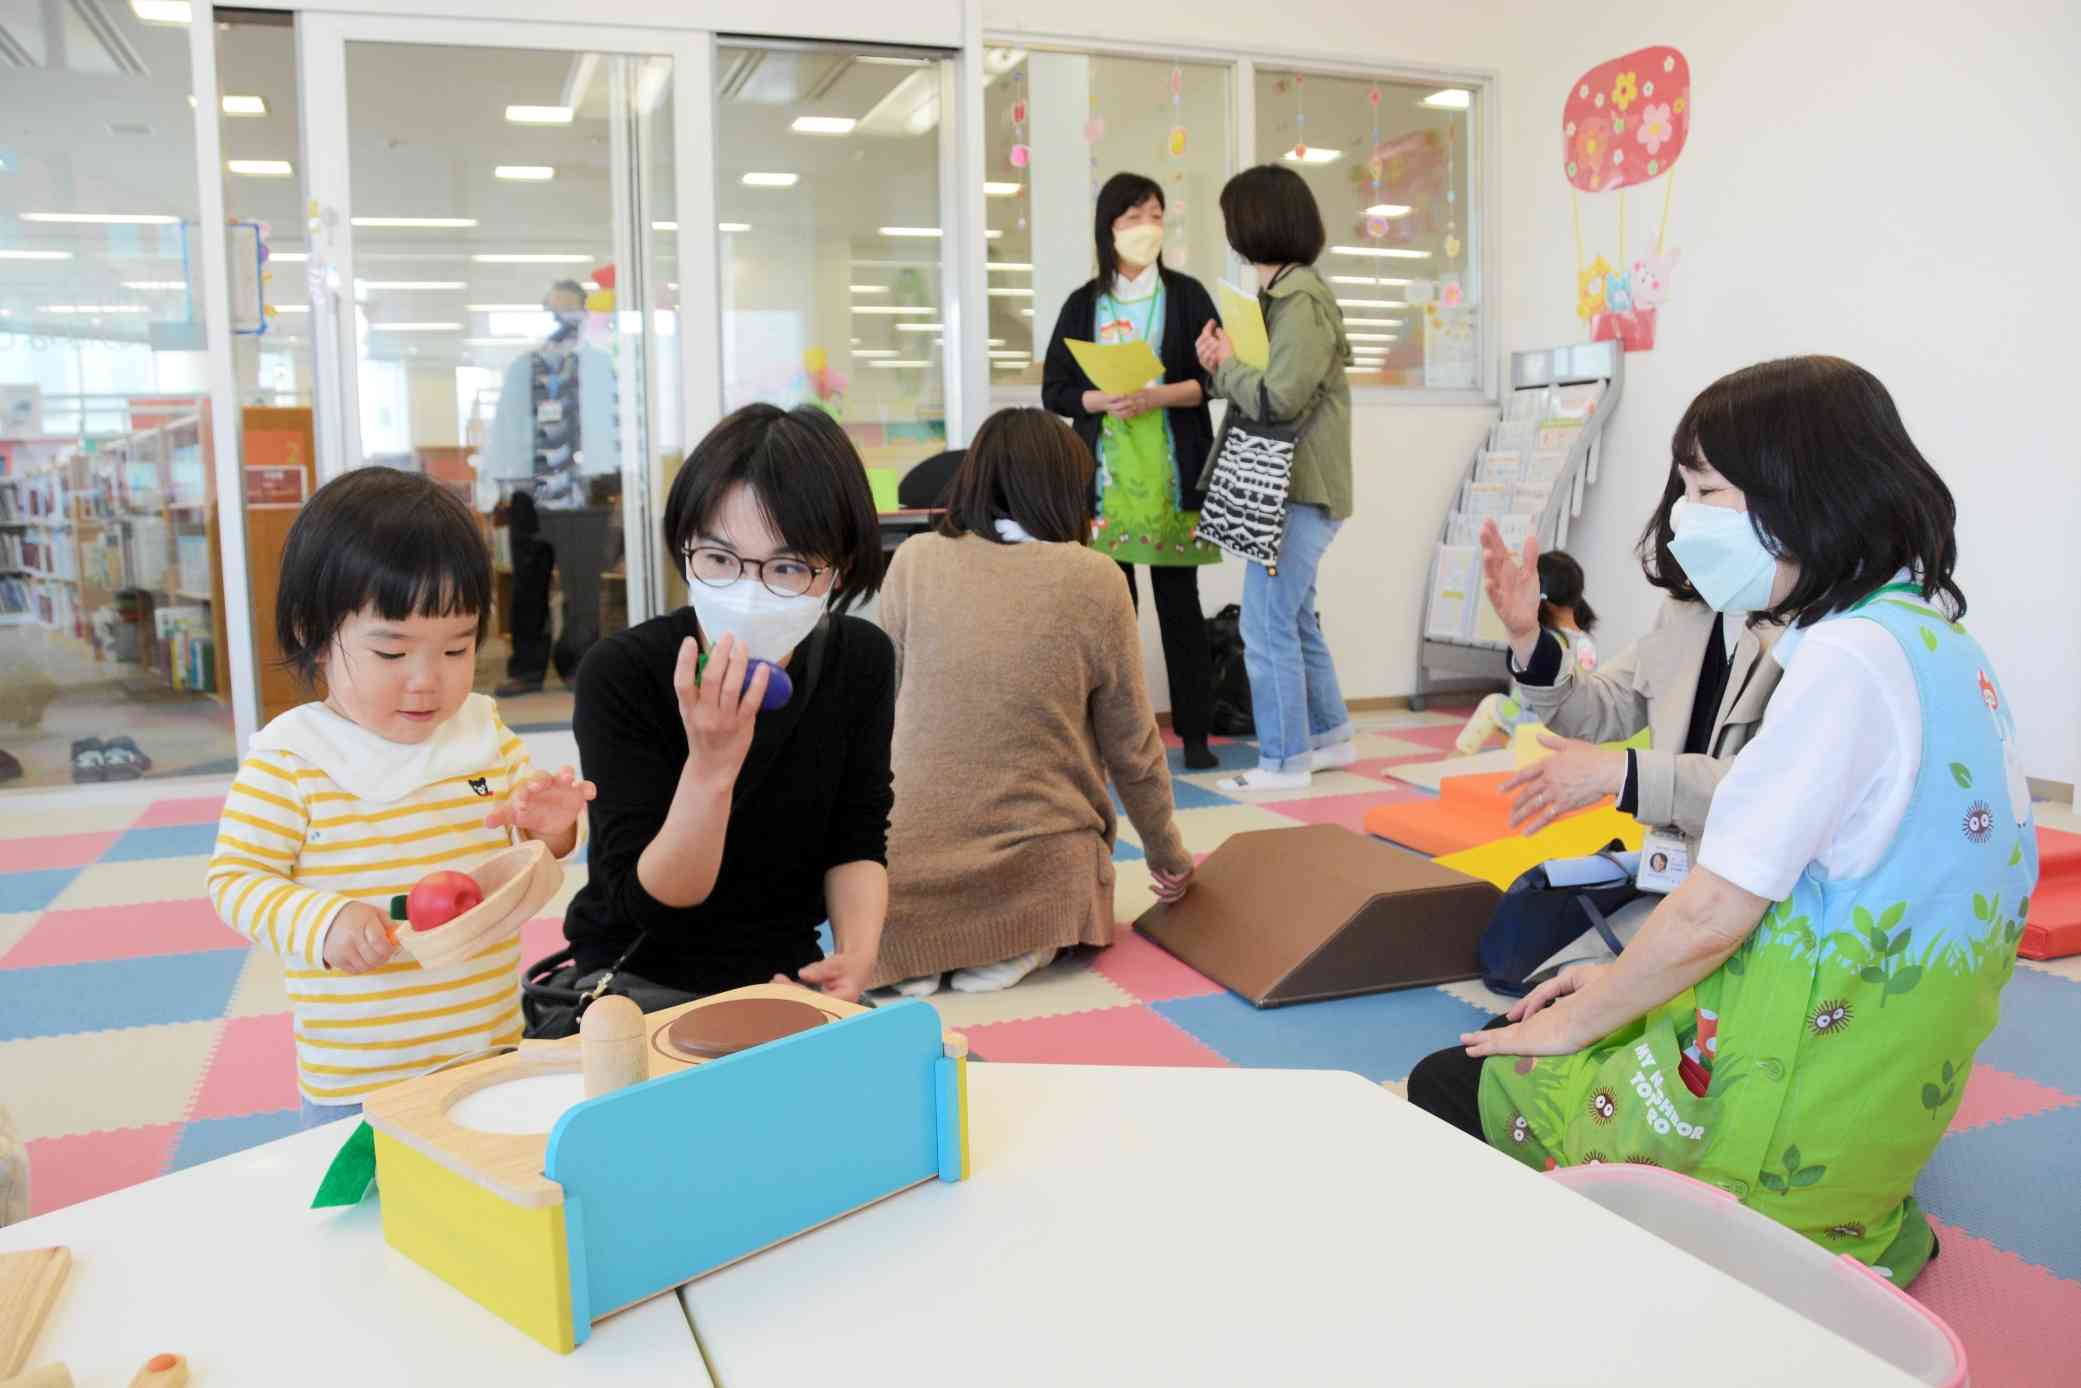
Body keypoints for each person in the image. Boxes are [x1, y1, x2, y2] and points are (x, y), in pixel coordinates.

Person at [1407, 356, 2039, 1288]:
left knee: (1456, 1077)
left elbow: (1712, 912)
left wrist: (1587, 1015)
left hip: (1781, 1085)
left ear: (1797, 493)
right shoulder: (1933, 637)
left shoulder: (1838, 660)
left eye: (1704, 489)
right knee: (1549, 985)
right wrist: (1525, 640)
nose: (1682, 518)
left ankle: (1740, 1233)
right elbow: (1605, 708)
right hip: (1872, 1065)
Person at [206, 468, 593, 1127]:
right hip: (361, 1075)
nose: (427, 682)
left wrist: (552, 833)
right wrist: (323, 924)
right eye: (391, 652)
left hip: (487, 1047)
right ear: (313, 632)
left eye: (456, 647)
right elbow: (235, 880)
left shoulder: (483, 734)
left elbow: (525, 858)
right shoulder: (292, 758)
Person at [560, 404, 893, 1003]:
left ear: (836, 572)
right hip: (641, 980)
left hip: (785, 977)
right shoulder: (620, 674)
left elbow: (858, 835)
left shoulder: (860, 659)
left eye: (787, 566)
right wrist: (711, 768)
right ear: (686, 549)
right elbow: (653, 905)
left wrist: (858, 954)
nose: (747, 592)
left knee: (949, 1073)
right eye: (718, 559)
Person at [873, 408, 1194, 995]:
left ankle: (918, 954)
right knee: (1067, 855)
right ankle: (1017, 941)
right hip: (1034, 873)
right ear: (1067, 486)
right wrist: (1166, 853)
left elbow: (879, 709)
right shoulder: (1094, 578)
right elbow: (1133, 744)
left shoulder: (914, 561)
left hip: (907, 875)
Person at [1042, 172, 1225, 771]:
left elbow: (1214, 381)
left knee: (1180, 609)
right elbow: (1056, 390)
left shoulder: (1190, 295)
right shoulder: (1082, 303)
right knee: (1110, 616)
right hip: (1105, 482)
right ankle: (1113, 741)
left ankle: (1195, 736)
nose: (1145, 228)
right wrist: (1102, 399)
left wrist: (1155, 397)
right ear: (1108, 228)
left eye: (1154, 215)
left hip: (1173, 476)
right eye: (1131, 218)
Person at [1196, 164, 1355, 793]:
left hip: (1298, 487)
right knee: (1295, 620)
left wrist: (1226, 366)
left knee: (1264, 625)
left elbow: (1281, 396)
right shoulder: (1281, 297)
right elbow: (1261, 385)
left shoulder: (1301, 300)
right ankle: (1329, 736)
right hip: (1298, 487)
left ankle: (1284, 761)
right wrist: (1223, 364)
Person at [1483, 517, 1783, 842]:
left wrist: (1618, 772)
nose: (1684, 511)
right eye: (1686, 489)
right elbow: (1596, 707)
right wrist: (1527, 637)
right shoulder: (1684, 611)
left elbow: (1768, 791)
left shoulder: (1813, 634)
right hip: (1672, 863)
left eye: (1707, 488)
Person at [485, 279, 623, 696]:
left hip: (584, 494)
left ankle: (578, 665)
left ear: (583, 313)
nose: (562, 320)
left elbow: (616, 426)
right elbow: (506, 426)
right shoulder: (523, 367)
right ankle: (526, 669)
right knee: (529, 583)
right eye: (555, 311)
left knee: (582, 585)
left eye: (570, 311)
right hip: (533, 493)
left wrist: (616, 479)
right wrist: (501, 486)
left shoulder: (601, 366)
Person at [1454, 549, 1599, 754]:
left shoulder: (1545, 643)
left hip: (1539, 727)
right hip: (1573, 734)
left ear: (1541, 601)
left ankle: (1458, 757)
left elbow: (1526, 696)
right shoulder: (1585, 643)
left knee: (1493, 705)